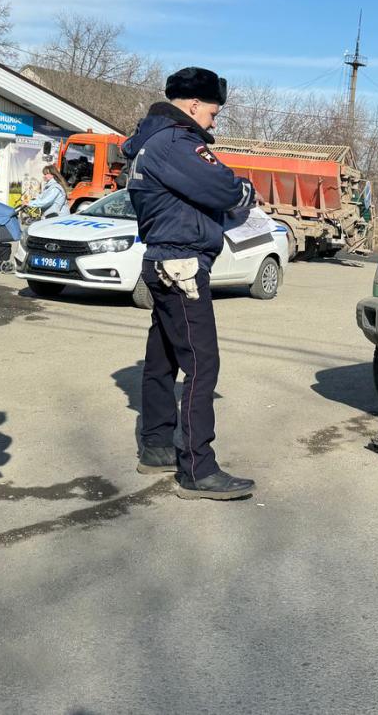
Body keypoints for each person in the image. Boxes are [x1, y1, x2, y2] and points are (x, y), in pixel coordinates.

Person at [122, 67, 259, 501]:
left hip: (163, 261)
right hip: (181, 265)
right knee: (202, 364)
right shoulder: (176, 142)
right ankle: (198, 468)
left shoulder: (150, 142)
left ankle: (157, 447)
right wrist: (245, 191)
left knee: (162, 360)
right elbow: (224, 188)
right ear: (195, 104)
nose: (214, 122)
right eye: (213, 113)